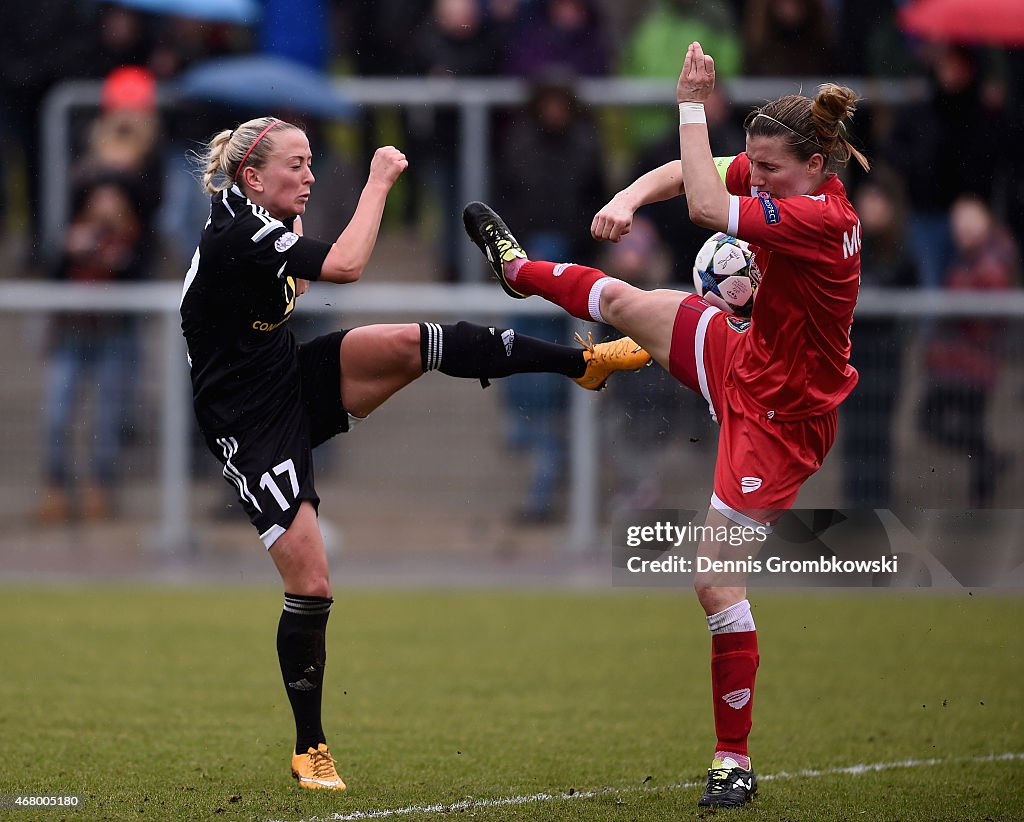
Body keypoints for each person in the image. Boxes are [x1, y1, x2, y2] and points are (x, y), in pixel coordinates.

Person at [179, 116, 650, 791]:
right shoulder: (240, 230)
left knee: (413, 341)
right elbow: (344, 266)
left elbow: (293, 285)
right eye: (297, 165)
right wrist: (377, 183)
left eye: (313, 163)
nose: (310, 176)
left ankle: (582, 362)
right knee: (312, 584)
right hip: (246, 424)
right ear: (253, 176)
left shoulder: (250, 221)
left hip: (285, 378)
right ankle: (309, 747)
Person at [463, 41, 869, 807]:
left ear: (817, 168)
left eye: (770, 168)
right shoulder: (786, 174)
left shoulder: (819, 216)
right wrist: (624, 197)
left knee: (714, 583)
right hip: (741, 354)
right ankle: (517, 272)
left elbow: (707, 208)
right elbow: (695, 174)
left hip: (783, 421)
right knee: (620, 299)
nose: (759, 174)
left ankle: (733, 761)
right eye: (755, 163)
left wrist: (687, 101)